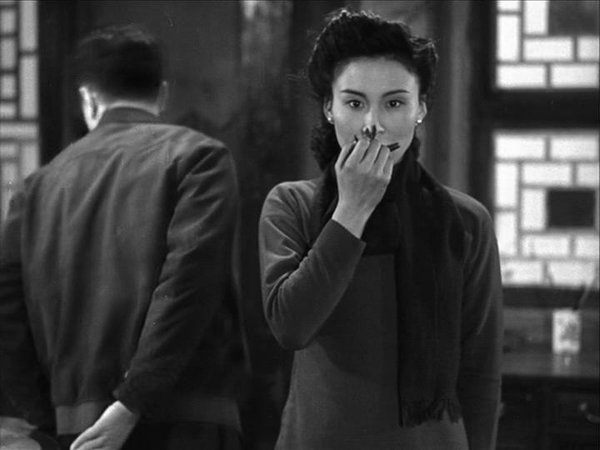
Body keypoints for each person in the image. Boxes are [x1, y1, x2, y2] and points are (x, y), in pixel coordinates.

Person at [258, 9, 503, 450]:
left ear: (420, 108)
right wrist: (351, 210)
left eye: (394, 103)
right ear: (329, 109)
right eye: (354, 103)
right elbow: (290, 327)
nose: (373, 123)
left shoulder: (465, 221)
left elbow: (480, 372)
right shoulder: (291, 205)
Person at [0, 24, 247, 450]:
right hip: (189, 420)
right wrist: (131, 401)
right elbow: (189, 284)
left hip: (78, 431)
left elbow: (6, 310)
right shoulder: (200, 158)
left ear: (88, 98)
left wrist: (47, 418)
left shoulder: (35, 189)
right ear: (162, 94)